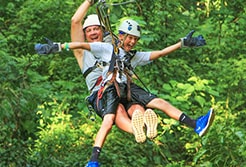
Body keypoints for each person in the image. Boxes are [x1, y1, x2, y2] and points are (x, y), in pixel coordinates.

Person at [35, 14, 215, 167]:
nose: (132, 42)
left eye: (135, 39)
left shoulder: (133, 56)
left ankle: (194, 125)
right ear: (119, 36)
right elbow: (80, 45)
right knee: (110, 118)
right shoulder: (105, 48)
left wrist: (182, 44)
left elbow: (159, 53)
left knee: (155, 103)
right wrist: (58, 47)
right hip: (110, 87)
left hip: (127, 88)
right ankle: (93, 160)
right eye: (129, 38)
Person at [69, 1, 158, 167]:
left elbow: (126, 46)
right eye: (89, 30)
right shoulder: (82, 52)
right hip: (101, 92)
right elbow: (75, 21)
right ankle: (137, 129)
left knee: (137, 108)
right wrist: (89, 1)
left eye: (96, 29)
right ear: (85, 35)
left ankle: (144, 125)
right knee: (118, 112)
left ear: (102, 32)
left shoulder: (111, 47)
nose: (93, 32)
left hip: (122, 87)